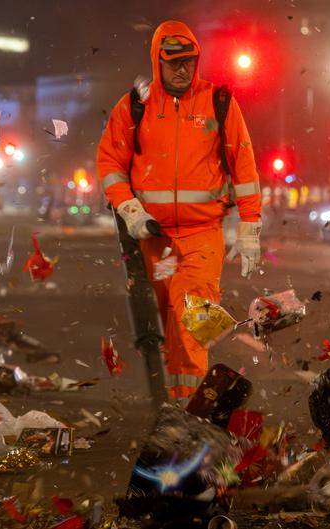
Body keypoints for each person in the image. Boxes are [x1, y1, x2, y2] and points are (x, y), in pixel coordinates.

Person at [97, 20, 263, 399]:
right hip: (154, 240)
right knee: (168, 326)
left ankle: (189, 411)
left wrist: (250, 227)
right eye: (173, 62)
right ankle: (175, 408)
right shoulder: (135, 106)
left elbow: (245, 169)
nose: (182, 69)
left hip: (203, 236)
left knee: (192, 322)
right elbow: (110, 164)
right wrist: (130, 209)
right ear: (157, 62)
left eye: (188, 61)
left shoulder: (219, 103)